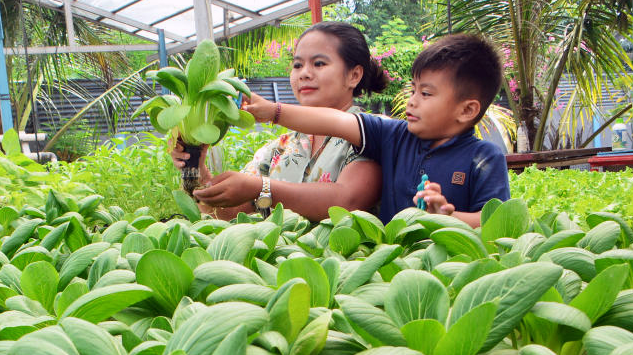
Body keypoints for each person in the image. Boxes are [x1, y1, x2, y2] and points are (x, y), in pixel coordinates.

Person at [243, 33, 509, 228]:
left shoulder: (484, 158)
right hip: (389, 266)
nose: (412, 100)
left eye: (426, 93)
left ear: (467, 110)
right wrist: (273, 112)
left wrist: (448, 218)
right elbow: (335, 121)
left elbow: (496, 222)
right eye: (413, 89)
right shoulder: (394, 136)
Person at [172, 22, 387, 221]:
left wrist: (262, 188)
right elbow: (227, 213)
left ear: (354, 75)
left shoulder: (373, 134)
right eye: (297, 65)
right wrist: (194, 165)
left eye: (319, 63)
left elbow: (347, 201)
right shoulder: (280, 148)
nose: (304, 73)